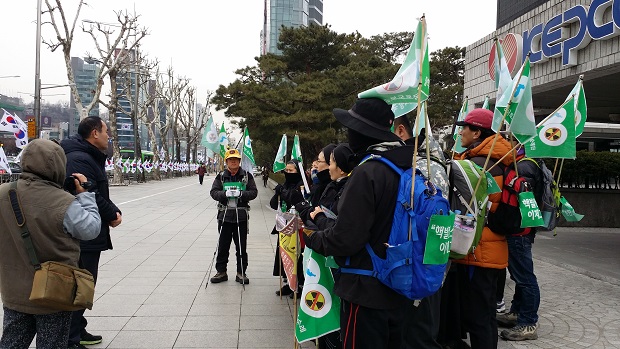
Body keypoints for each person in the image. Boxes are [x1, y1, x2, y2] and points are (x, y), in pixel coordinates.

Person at [303, 98, 417, 349]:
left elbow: (345, 238)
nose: (348, 133)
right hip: (400, 283)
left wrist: (312, 237)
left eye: (351, 127)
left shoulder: (368, 172)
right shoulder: (409, 167)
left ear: (363, 131)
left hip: (365, 289)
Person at [0, 139, 102, 349]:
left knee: (12, 343)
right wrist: (86, 196)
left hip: (14, 290)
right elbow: (91, 230)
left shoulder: (3, 193)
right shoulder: (63, 201)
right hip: (54, 291)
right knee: (52, 343)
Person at [452, 108, 515, 349]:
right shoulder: (497, 159)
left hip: (478, 250)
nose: (461, 132)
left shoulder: (480, 165)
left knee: (478, 317)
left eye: (464, 127)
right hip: (493, 248)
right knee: (485, 314)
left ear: (477, 132)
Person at [61, 116, 123, 348]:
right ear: (95, 133)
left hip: (88, 228)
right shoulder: (79, 158)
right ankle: (70, 339)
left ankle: (78, 328)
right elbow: (90, 193)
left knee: (85, 283)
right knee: (80, 284)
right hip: (81, 232)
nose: (109, 136)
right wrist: (112, 214)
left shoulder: (85, 155)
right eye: (106, 131)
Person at [392, 115, 447, 349]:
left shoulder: (422, 168)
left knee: (417, 333)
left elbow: (429, 220)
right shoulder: (435, 163)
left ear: (402, 131)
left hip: (419, 262)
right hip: (429, 258)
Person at [496, 140, 543, 341]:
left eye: (510, 140)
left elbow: (523, 197)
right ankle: (516, 313)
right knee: (519, 276)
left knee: (525, 278)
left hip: (519, 231)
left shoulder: (524, 166)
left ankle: (528, 323)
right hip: (520, 229)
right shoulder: (526, 162)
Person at [209, 149, 258, 284]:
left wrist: (241, 194)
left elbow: (254, 192)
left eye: (236, 159)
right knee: (223, 246)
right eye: (230, 160)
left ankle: (241, 272)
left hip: (240, 216)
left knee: (241, 246)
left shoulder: (247, 176)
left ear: (239, 161)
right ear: (226, 162)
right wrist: (225, 194)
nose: (233, 162)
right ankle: (221, 272)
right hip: (224, 216)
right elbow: (213, 192)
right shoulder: (221, 176)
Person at [270, 160, 306, 296]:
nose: (288, 173)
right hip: (284, 225)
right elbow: (274, 204)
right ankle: (287, 282)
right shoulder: (284, 184)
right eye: (286, 170)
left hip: (297, 226)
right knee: (284, 254)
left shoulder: (302, 186)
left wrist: (284, 192)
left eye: (291, 171)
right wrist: (277, 193)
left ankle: (299, 284)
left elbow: (295, 200)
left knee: (296, 255)